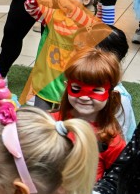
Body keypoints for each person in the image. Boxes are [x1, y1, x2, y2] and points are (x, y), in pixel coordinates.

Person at [24, 0, 98, 110]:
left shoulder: (89, 23)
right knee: (40, 119)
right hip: (45, 80)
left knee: (65, 121)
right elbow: (30, 7)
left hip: (71, 81)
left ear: (86, 0)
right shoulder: (52, 14)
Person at [54, 48, 125, 180]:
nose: (85, 97)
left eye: (96, 90)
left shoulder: (111, 141)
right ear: (67, 86)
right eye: (76, 88)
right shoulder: (51, 121)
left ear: (110, 94)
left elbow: (117, 181)